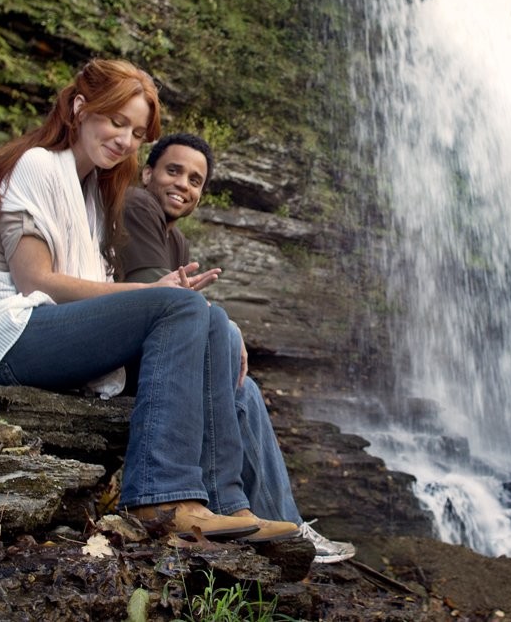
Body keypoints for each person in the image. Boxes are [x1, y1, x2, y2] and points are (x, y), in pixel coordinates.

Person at [0, 59, 298, 543]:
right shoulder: (37, 164)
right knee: (181, 307)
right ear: (80, 108)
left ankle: (228, 504)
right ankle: (162, 498)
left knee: (213, 322)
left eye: (138, 132)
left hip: (37, 330)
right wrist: (153, 293)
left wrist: (217, 329)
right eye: (116, 121)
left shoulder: (91, 197)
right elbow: (34, 280)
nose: (126, 140)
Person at [118, 132, 357, 563]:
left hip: (154, 349)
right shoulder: (138, 205)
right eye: (173, 171)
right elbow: (164, 299)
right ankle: (241, 508)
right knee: (225, 347)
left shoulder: (176, 239)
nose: (184, 185)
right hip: (141, 354)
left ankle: (279, 524)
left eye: (195, 180)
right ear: (147, 172)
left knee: (244, 390)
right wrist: (225, 325)